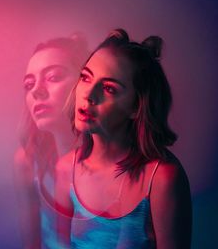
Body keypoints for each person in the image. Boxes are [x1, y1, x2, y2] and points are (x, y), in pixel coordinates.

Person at [56, 29, 192, 248]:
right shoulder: (65, 170)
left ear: (137, 107)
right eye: (85, 77)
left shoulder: (162, 179)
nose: (88, 95)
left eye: (109, 88)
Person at [14, 34, 88, 248]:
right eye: (29, 84)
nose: (36, 90)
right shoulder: (27, 162)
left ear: (85, 83)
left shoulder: (125, 167)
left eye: (54, 77)